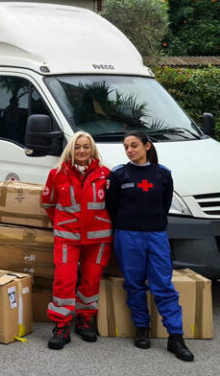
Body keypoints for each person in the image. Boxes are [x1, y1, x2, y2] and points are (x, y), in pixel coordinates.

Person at [105, 130, 194, 361]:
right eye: (126, 147)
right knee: (134, 284)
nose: (130, 150)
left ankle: (176, 337)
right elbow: (112, 206)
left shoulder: (163, 174)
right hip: (127, 235)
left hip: (156, 235)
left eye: (134, 145)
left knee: (163, 285)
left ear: (147, 146)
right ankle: (141, 328)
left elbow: (163, 205)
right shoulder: (119, 174)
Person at [40, 131, 111, 350]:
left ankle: (84, 319)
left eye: (86, 147)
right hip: (67, 238)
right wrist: (65, 223)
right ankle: (61, 325)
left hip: (98, 239)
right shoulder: (57, 173)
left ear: (92, 149)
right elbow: (49, 203)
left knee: (91, 280)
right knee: (64, 280)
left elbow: (113, 205)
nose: (81, 151)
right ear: (71, 149)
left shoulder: (105, 175)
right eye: (77, 146)